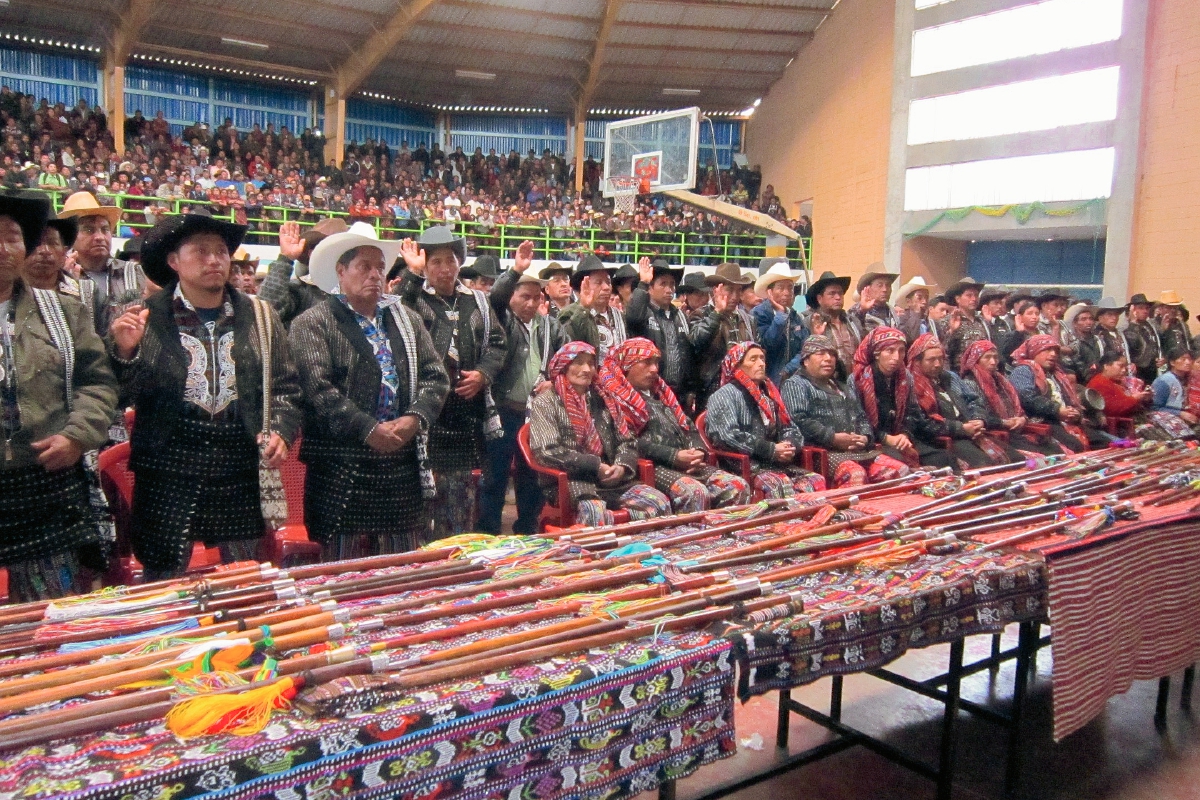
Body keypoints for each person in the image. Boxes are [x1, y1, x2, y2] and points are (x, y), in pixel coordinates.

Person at [108, 212, 301, 580]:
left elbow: (286, 388)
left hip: (239, 463)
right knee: (163, 578)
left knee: (243, 577)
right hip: (168, 468)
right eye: (201, 251)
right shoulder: (146, 318)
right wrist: (124, 354)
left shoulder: (260, 315)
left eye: (221, 252)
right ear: (173, 261)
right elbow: (116, 395)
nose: (214, 260)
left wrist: (280, 429)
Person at [289, 224, 449, 559]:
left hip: (399, 461)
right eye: (364, 267)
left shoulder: (407, 319)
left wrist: (414, 419)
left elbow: (436, 377)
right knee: (341, 568)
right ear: (341, 272)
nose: (375, 275)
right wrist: (367, 429)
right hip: (341, 466)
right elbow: (318, 389)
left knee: (403, 563)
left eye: (380, 267)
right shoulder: (313, 322)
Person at [0, 192, 119, 602]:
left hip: (47, 490)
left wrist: (77, 435)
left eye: (12, 237)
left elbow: (98, 383)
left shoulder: (64, 312)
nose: (2, 248)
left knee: (49, 618)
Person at [393, 225, 507, 539]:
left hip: (466, 418)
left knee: (464, 495)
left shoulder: (479, 303)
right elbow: (397, 315)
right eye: (436, 262)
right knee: (425, 498)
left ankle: (460, 554)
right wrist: (412, 275)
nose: (445, 269)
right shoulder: (414, 300)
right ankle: (428, 560)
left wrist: (483, 374)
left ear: (459, 263)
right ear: (425, 266)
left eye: (450, 261)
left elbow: (498, 344)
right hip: (426, 418)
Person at [479, 240, 570, 535]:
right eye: (524, 297)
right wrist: (516, 270)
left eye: (535, 297)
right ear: (512, 297)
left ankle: (528, 530)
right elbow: (495, 298)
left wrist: (554, 383)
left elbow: (569, 358)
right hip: (502, 411)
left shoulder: (550, 325)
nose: (530, 303)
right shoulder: (501, 319)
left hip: (536, 414)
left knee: (532, 476)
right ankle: (489, 534)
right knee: (496, 475)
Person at [528, 342, 671, 527]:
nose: (586, 369)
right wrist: (595, 466)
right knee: (594, 511)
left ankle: (639, 552)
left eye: (591, 363)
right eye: (578, 363)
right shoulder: (547, 402)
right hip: (573, 481)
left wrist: (621, 466)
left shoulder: (604, 398)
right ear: (563, 367)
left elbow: (627, 441)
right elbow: (546, 452)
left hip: (613, 481)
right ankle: (601, 554)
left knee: (658, 502)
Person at [598, 338, 749, 512]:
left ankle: (723, 536)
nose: (654, 369)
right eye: (646, 363)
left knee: (737, 485)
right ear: (626, 365)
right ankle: (692, 539)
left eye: (656, 363)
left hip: (688, 463)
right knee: (694, 492)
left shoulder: (662, 394)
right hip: (655, 466)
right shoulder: (614, 401)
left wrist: (697, 452)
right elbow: (629, 443)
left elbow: (689, 427)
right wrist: (673, 456)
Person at [781, 335, 910, 487]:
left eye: (832, 354)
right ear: (806, 360)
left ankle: (891, 510)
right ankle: (855, 511)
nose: (828, 358)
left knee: (900, 470)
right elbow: (799, 420)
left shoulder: (843, 387)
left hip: (858, 451)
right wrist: (833, 438)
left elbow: (862, 417)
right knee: (855, 474)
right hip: (823, 452)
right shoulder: (796, 384)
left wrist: (865, 437)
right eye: (820, 353)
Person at [705, 342, 826, 498]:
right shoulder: (724, 395)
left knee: (816, 480)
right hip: (746, 465)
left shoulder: (769, 394)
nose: (761, 363)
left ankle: (813, 521)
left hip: (777, 463)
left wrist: (789, 446)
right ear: (737, 366)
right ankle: (785, 522)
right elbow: (726, 436)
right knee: (775, 484)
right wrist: (771, 450)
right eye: (753, 359)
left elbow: (790, 427)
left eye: (762, 358)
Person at [847, 326, 954, 470]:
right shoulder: (858, 379)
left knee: (943, 458)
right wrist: (886, 438)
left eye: (901, 351)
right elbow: (858, 419)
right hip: (874, 442)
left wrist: (904, 434)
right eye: (890, 351)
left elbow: (912, 413)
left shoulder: (905, 377)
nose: (896, 357)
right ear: (877, 354)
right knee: (900, 465)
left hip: (901, 438)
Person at [907, 334, 1019, 468]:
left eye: (940, 359)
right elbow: (924, 423)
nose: (937, 364)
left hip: (972, 431)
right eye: (931, 360)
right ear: (917, 362)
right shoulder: (911, 385)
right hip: (947, 437)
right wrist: (962, 428)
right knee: (985, 466)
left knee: (1018, 459)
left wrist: (979, 419)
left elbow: (974, 400)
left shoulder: (950, 377)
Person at [57, 191, 145, 336]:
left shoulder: (134, 272)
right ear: (70, 237)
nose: (99, 237)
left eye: (105, 229)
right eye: (89, 230)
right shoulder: (59, 277)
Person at [958, 340, 1062, 456]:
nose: (993, 362)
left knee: (1054, 449)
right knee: (1038, 456)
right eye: (987, 358)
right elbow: (978, 416)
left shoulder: (1002, 381)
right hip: (994, 432)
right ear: (975, 360)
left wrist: (1022, 419)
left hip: (1015, 429)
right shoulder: (969, 383)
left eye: (995, 357)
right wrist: (1004, 423)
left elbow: (1019, 407)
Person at [1008, 335, 1093, 452]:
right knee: (1076, 446)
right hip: (1043, 420)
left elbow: (1068, 399)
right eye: (1047, 350)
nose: (1053, 354)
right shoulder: (1023, 371)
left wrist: (1075, 412)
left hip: (1063, 420)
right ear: (1034, 351)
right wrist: (1058, 410)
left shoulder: (1056, 373)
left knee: (1105, 441)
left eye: (1056, 351)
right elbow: (1027, 397)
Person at [625, 257, 693, 403]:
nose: (669, 290)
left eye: (672, 284)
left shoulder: (681, 316)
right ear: (650, 287)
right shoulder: (644, 312)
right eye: (663, 284)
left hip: (679, 392)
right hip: (650, 390)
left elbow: (689, 353)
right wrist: (643, 283)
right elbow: (633, 318)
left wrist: (690, 389)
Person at [259, 218, 348, 328]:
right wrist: (285, 258)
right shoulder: (299, 291)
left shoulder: (356, 291)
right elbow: (264, 314)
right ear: (311, 253)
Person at [691, 263, 755, 410]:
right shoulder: (701, 315)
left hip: (744, 387)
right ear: (716, 290)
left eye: (738, 290)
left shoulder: (748, 320)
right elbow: (695, 341)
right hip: (712, 388)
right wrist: (717, 312)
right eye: (729, 290)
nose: (734, 296)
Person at [752, 259, 809, 384]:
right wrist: (780, 316)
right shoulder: (759, 314)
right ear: (770, 292)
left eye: (790, 288)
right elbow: (767, 344)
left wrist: (789, 369)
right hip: (767, 382)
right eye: (781, 288)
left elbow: (805, 348)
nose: (787, 293)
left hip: (793, 380)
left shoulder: (796, 317)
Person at [559, 254, 626, 359]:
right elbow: (567, 343)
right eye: (598, 282)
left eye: (608, 282)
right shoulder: (569, 312)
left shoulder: (619, 315)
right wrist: (584, 308)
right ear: (583, 285)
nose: (606, 287)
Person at [800, 270, 860, 376]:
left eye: (840, 293)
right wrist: (815, 336)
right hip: (826, 382)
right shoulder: (809, 322)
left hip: (853, 382)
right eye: (832, 294)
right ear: (819, 298)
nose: (838, 297)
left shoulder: (852, 321)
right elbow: (802, 355)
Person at [938, 277, 993, 373]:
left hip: (982, 373)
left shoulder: (982, 321)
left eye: (976, 295)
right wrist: (952, 331)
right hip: (959, 374)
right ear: (958, 299)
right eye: (969, 295)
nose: (974, 299)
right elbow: (941, 350)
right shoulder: (947, 321)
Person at [1150, 346, 1200, 433]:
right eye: (1183, 359)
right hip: (1169, 423)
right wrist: (1179, 413)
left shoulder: (1190, 379)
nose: (1188, 362)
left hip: (1191, 420)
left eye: (1189, 359)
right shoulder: (1163, 381)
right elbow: (1154, 408)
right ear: (1172, 362)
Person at [1124, 292, 1163, 385]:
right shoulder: (1127, 328)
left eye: (1146, 308)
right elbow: (1131, 345)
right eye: (1141, 308)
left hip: (1153, 369)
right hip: (1138, 370)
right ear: (1133, 309)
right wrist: (1133, 321)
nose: (1145, 311)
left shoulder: (1151, 326)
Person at [1062, 303, 1102, 385]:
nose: (1089, 322)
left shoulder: (1098, 340)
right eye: (1083, 319)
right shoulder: (1072, 342)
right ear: (1075, 324)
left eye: (1091, 319)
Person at [849, 266, 897, 333]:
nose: (885, 289)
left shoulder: (892, 312)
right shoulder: (857, 310)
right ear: (868, 289)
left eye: (888, 285)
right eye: (880, 285)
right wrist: (862, 310)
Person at [892, 276, 937, 344]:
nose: (924, 301)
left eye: (926, 297)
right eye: (919, 298)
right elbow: (912, 339)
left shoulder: (931, 323)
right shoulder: (901, 321)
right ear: (908, 302)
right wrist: (916, 313)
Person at [1000, 299, 1043, 368]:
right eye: (1029, 313)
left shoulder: (1043, 334)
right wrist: (1019, 332)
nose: (1034, 317)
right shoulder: (1012, 335)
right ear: (1020, 317)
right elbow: (1008, 356)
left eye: (1037, 314)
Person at [1153, 291, 1193, 358]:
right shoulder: (1152, 324)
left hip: (1180, 362)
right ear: (1160, 309)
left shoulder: (1182, 325)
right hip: (1160, 363)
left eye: (1175, 307)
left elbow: (1189, 343)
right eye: (1168, 307)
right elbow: (1152, 346)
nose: (1172, 310)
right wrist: (1162, 331)